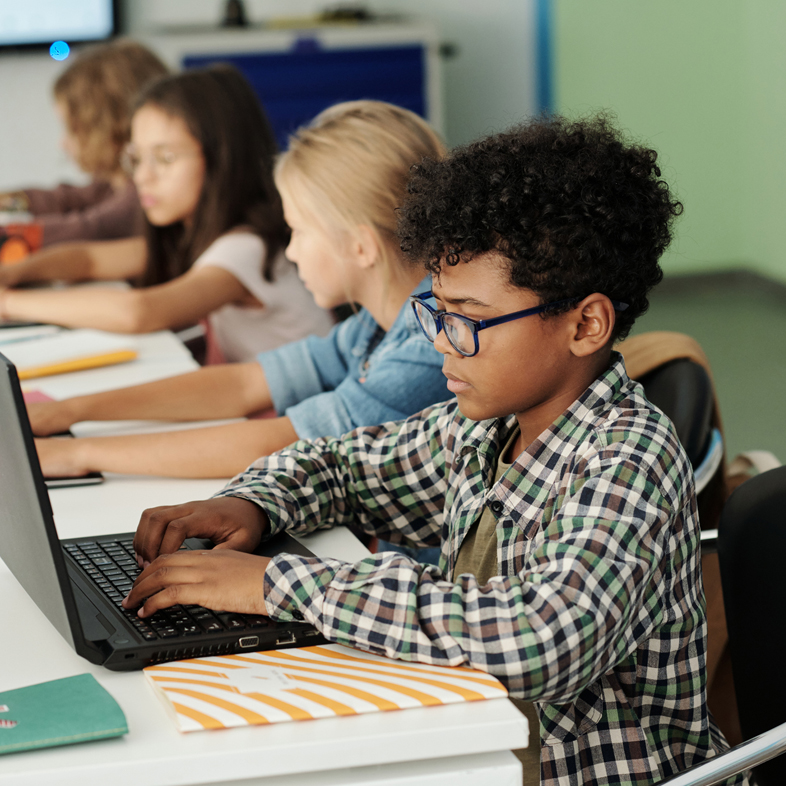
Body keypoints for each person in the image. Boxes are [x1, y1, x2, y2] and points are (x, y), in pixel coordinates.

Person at [121, 115, 745, 786]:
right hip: (483, 747)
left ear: (585, 324)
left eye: (469, 320)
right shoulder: (482, 426)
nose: (443, 341)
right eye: (438, 311)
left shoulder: (628, 457)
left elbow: (540, 640)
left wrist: (274, 583)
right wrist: (251, 505)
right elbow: (342, 465)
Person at [24, 102, 451, 499]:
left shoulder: (430, 345)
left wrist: (76, 454)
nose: (291, 251)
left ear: (361, 247)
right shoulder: (373, 326)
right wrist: (69, 412)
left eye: (299, 231)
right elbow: (246, 383)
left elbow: (282, 441)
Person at [0, 65, 333, 363]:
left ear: (223, 158)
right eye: (138, 159)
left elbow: (139, 313)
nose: (143, 177)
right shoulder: (195, 235)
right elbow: (88, 259)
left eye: (165, 158)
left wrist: (8, 303)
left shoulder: (245, 248)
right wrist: (15, 273)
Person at [0, 39, 168, 246]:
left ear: (107, 127)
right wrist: (3, 201)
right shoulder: (112, 185)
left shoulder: (142, 194)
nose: (62, 144)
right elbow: (63, 199)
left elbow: (86, 227)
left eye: (71, 129)